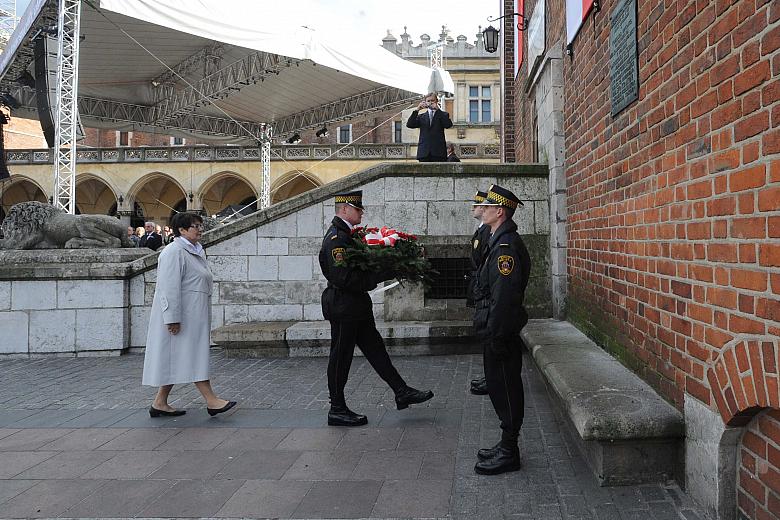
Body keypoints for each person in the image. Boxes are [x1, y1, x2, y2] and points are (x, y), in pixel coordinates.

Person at [319, 190, 434, 426]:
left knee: (375, 350)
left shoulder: (348, 235)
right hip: (344, 305)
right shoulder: (336, 239)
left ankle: (401, 391)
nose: (361, 212)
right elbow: (344, 277)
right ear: (344, 210)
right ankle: (337, 409)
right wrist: (377, 276)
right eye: (357, 209)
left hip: (355, 306)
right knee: (341, 357)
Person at [141, 212, 236, 418]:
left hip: (193, 315)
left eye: (200, 225)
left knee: (178, 357)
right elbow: (168, 287)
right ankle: (212, 400)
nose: (200, 229)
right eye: (195, 226)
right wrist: (172, 318)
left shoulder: (195, 250)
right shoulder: (174, 252)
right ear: (182, 230)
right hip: (182, 317)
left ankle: (160, 402)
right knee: (193, 355)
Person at [472, 185, 531, 475]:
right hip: (494, 329)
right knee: (498, 388)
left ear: (500, 211)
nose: (482, 208)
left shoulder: (506, 247)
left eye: (489, 205)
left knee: (506, 390)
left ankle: (510, 450)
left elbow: (505, 298)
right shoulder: (497, 239)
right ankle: (506, 443)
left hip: (500, 332)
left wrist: (496, 335)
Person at [467, 191, 491, 396]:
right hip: (478, 284)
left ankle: (491, 376)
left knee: (488, 332)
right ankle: (489, 374)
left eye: (476, 205)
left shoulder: (486, 232)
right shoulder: (481, 230)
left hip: (483, 287)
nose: (473, 208)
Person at [406, 92, 453, 162]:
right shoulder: (421, 117)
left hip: (439, 153)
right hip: (424, 153)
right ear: (425, 102)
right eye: (428, 101)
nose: (430, 103)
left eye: (432, 101)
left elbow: (448, 125)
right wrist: (417, 110)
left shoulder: (443, 114)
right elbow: (410, 124)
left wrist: (438, 110)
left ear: (436, 101)